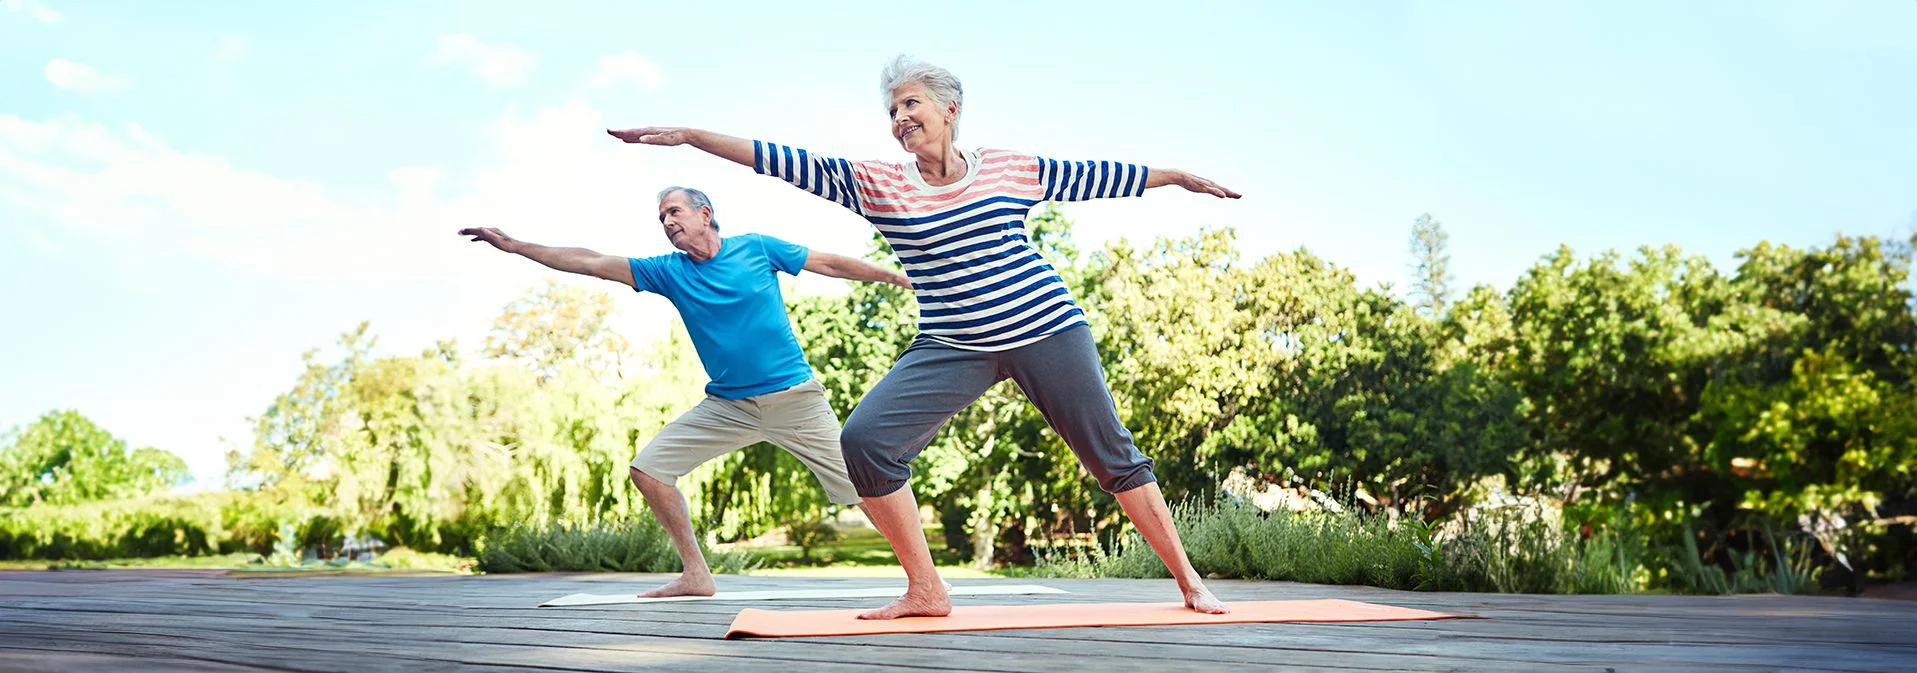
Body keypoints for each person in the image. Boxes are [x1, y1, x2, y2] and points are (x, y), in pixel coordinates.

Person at [606, 54, 1242, 618]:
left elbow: (1100, 174)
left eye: (911, 104)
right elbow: (779, 160)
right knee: (865, 444)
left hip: (1046, 328)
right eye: (892, 110)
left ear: (949, 109)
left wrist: (1175, 176)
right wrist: (690, 137)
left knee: (1111, 455)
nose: (899, 119)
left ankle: (1189, 581)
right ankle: (926, 589)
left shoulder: (1010, 169)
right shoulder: (880, 185)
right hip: (951, 344)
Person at [458, 186, 911, 598]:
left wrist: (893, 277)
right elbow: (591, 262)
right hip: (728, 406)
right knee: (649, 470)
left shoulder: (755, 248)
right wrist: (516, 247)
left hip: (796, 401)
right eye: (662, 218)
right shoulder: (668, 272)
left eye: (673, 211)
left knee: (865, 486)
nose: (667, 222)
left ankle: (922, 576)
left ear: (705, 213)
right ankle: (696, 573)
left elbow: (829, 263)